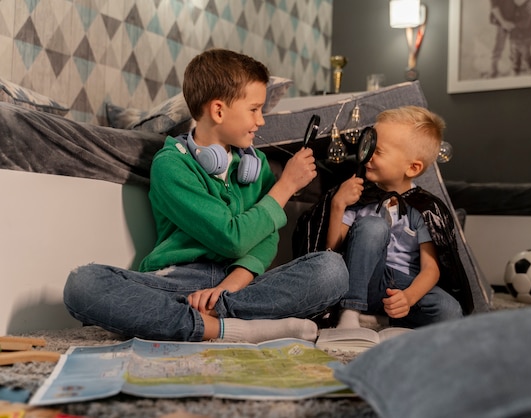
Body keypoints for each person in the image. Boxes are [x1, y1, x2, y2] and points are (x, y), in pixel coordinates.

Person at [64, 49, 348, 343]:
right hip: (178, 283)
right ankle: (231, 329)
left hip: (241, 284)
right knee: (83, 284)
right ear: (218, 110)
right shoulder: (172, 165)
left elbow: (268, 236)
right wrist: (285, 186)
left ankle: (197, 319)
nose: (260, 121)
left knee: (332, 270)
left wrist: (230, 288)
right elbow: (231, 238)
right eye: (254, 109)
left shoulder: (256, 164)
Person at [325, 106, 463, 329]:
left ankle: (380, 320)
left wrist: (408, 298)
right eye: (368, 147)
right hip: (364, 277)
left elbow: (431, 269)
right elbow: (332, 249)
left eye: (378, 152)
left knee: (450, 311)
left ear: (412, 167)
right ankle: (350, 312)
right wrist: (338, 204)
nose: (368, 156)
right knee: (373, 226)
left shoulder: (422, 208)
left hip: (402, 285)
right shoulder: (360, 196)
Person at [489, 0, 516, 78]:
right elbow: (494, 7)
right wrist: (503, 22)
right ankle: (494, 69)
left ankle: (515, 67)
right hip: (501, 22)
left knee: (515, 45)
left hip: (514, 20)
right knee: (499, 45)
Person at [509, 0, 531, 75]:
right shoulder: (511, 4)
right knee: (516, 52)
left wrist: (513, 24)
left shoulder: (528, 5)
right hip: (515, 33)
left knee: (525, 52)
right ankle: (516, 68)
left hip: (526, 33)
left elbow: (526, 22)